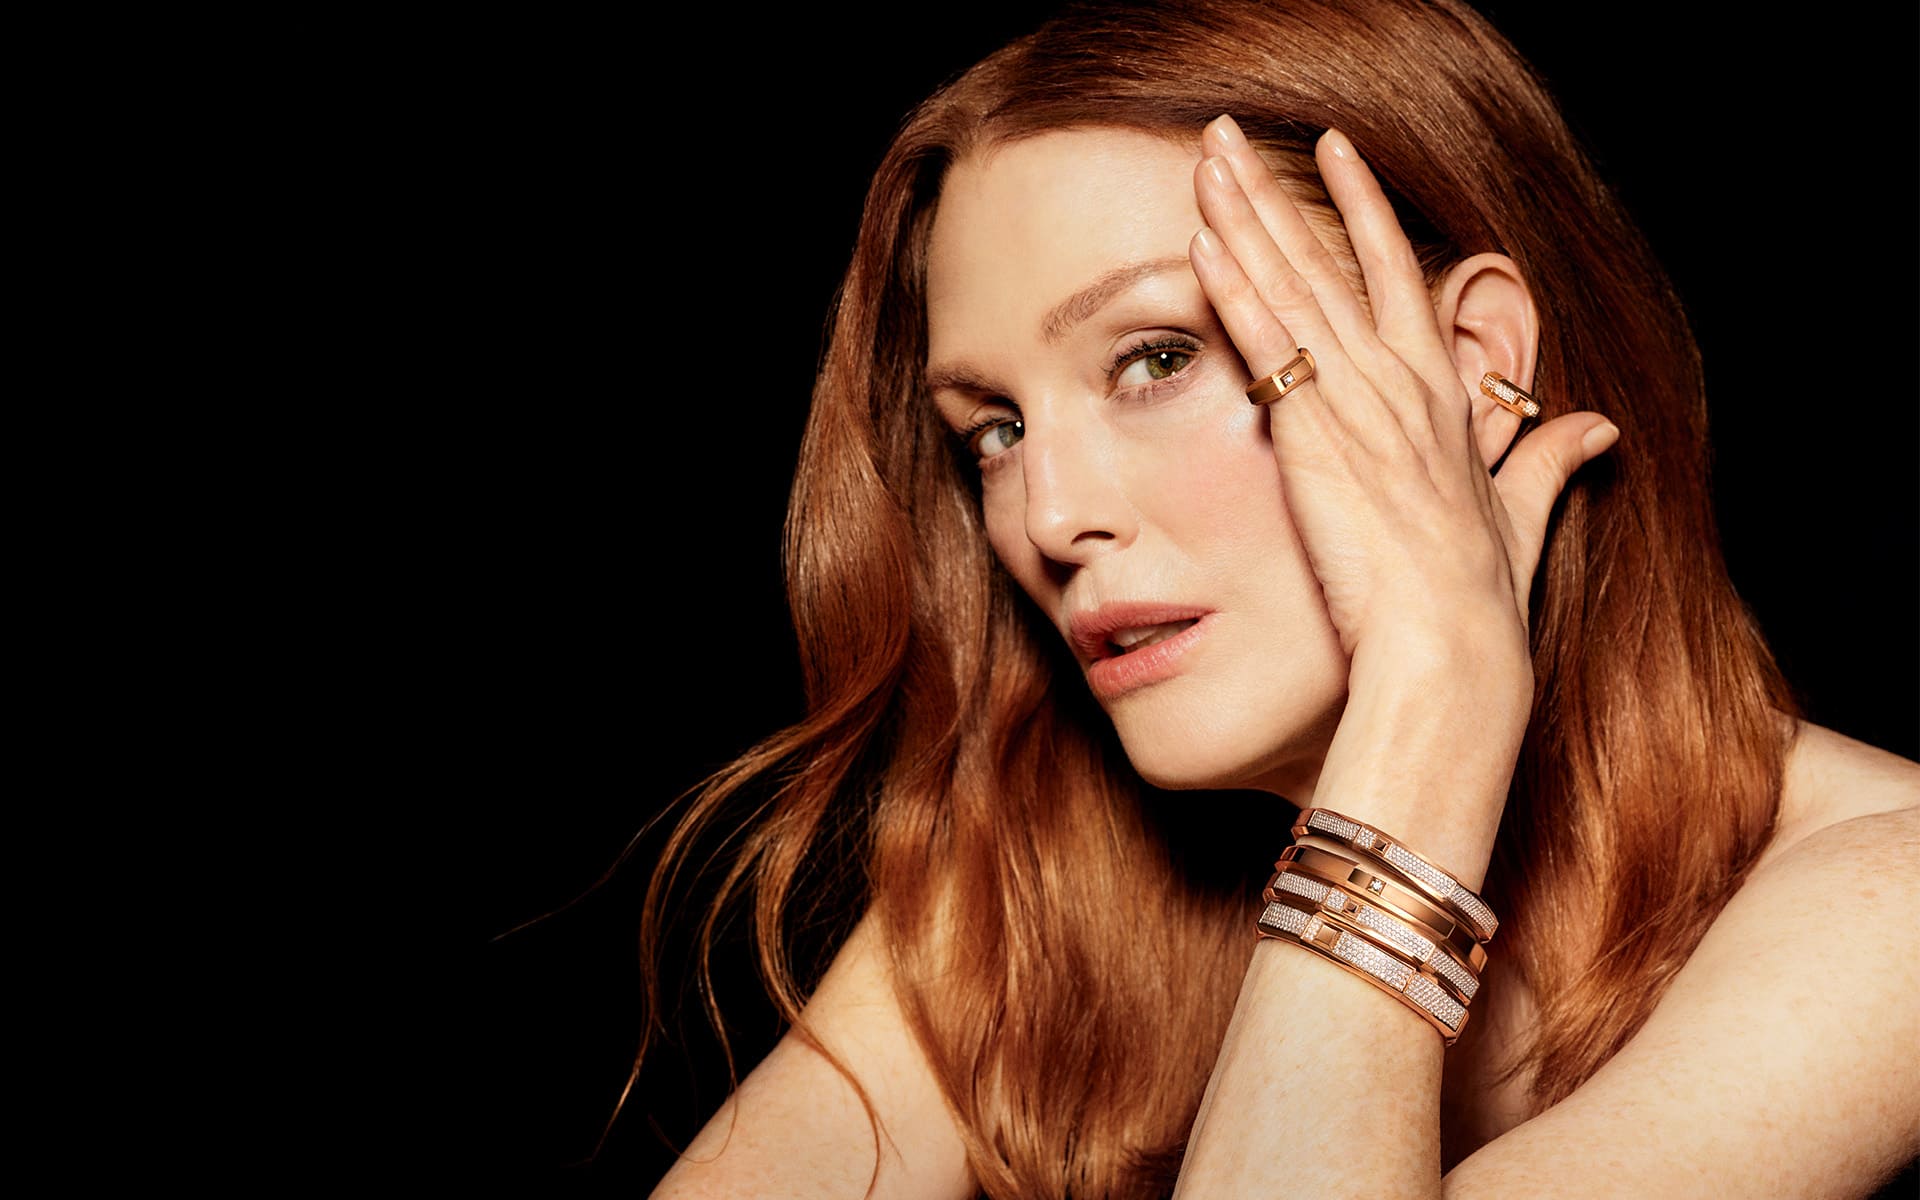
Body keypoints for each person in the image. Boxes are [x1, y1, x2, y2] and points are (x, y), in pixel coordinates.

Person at [632, 1, 1920, 1195]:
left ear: (1470, 367)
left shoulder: (1889, 900)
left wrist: (1432, 696)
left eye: (1157, 358)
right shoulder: (1042, 873)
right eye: (996, 430)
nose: (1048, 517)